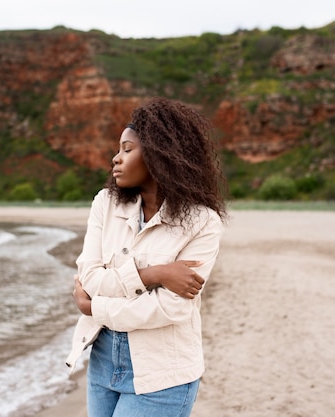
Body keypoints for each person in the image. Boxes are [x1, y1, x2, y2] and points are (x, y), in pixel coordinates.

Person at [66, 97, 227, 417]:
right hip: (101, 365)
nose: (116, 158)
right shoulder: (105, 204)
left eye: (127, 149)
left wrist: (94, 307)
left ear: (159, 154)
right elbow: (90, 278)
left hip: (161, 376)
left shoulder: (203, 222)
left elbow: (169, 308)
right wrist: (155, 274)